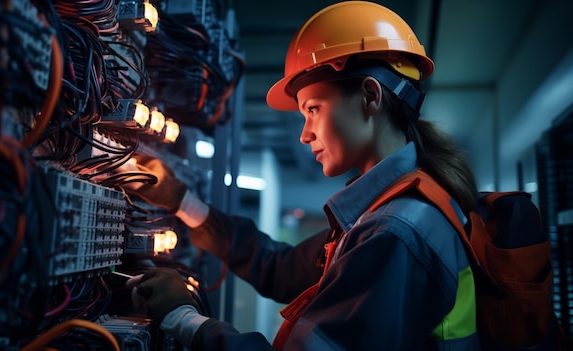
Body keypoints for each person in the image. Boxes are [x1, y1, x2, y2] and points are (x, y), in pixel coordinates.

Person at [120, 1, 481, 350]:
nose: (304, 134)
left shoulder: (396, 230)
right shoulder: (386, 211)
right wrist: (182, 200)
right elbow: (282, 269)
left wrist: (184, 319)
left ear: (370, 96)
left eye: (313, 109)